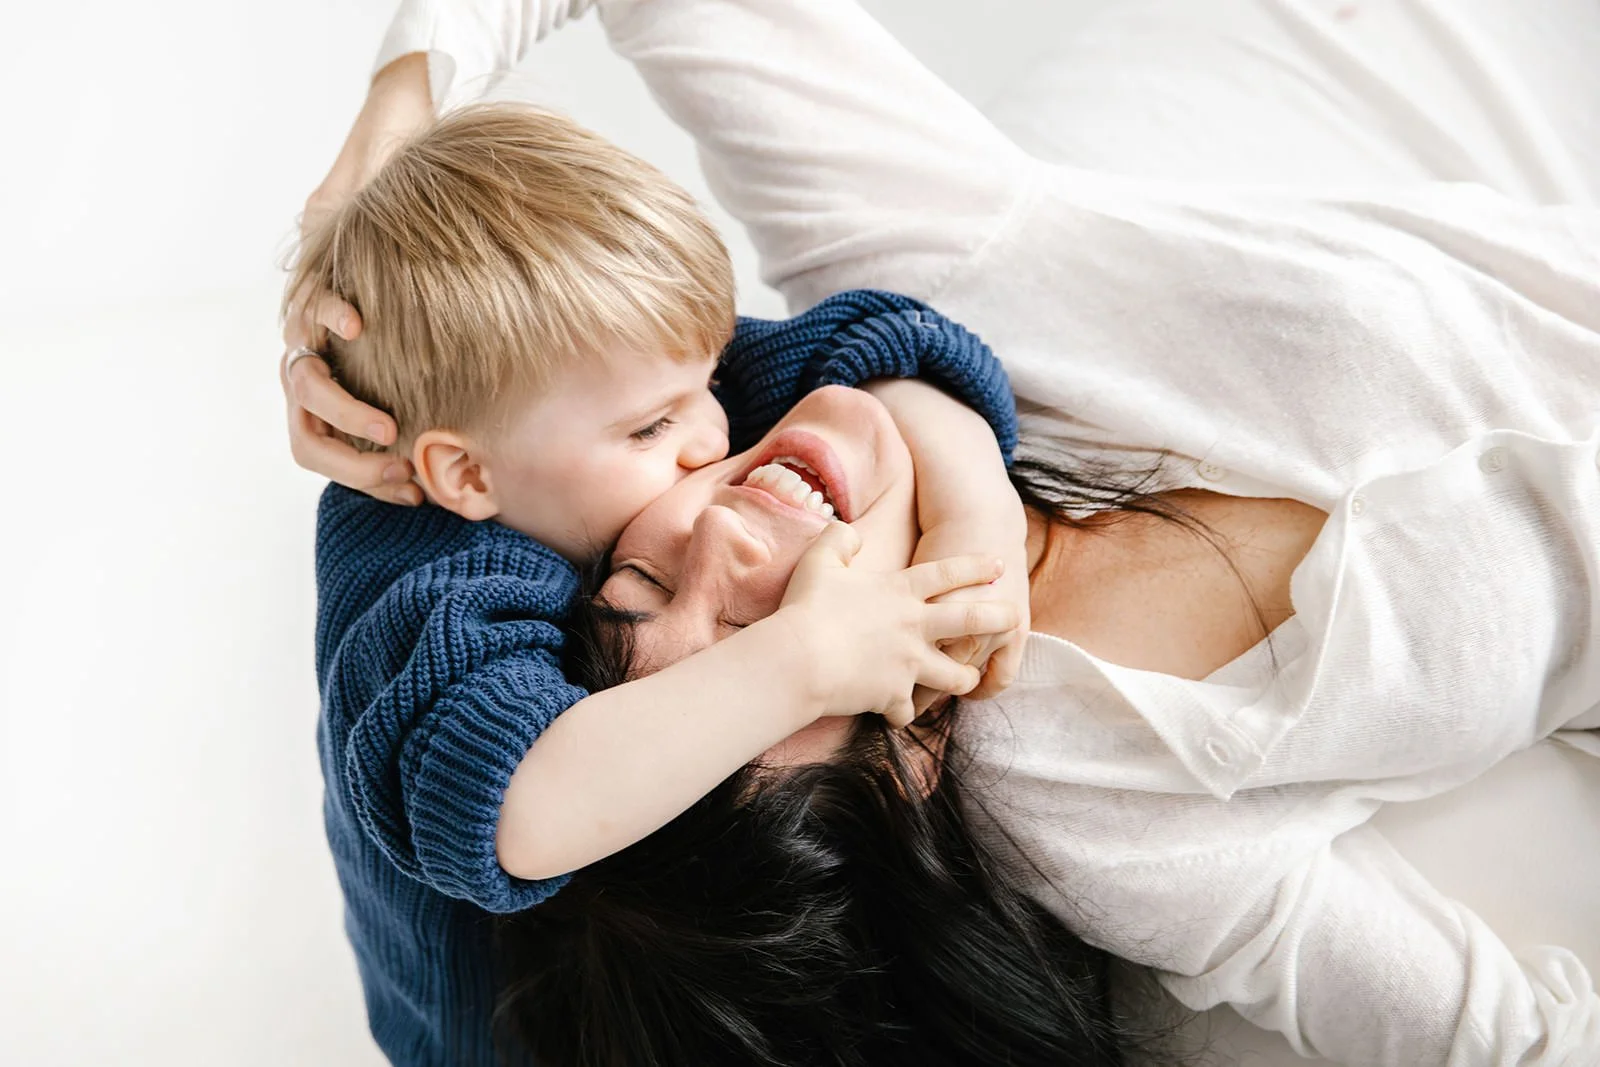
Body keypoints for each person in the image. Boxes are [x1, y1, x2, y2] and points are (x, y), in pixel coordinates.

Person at [285, 0, 1600, 1062]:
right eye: (755, 630)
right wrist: (806, 646)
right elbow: (1493, 1031)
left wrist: (396, 114)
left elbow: (833, 352)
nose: (709, 514)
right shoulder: (1081, 793)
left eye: (632, 568)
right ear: (913, 743)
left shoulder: (906, 307)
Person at [289, 101, 1035, 1066]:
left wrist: (982, 511)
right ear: (465, 476)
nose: (710, 438)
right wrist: (806, 658)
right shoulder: (427, 585)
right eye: (654, 428)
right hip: (469, 1032)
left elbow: (879, 343)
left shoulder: (588, 410)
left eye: (712, 377)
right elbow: (519, 805)